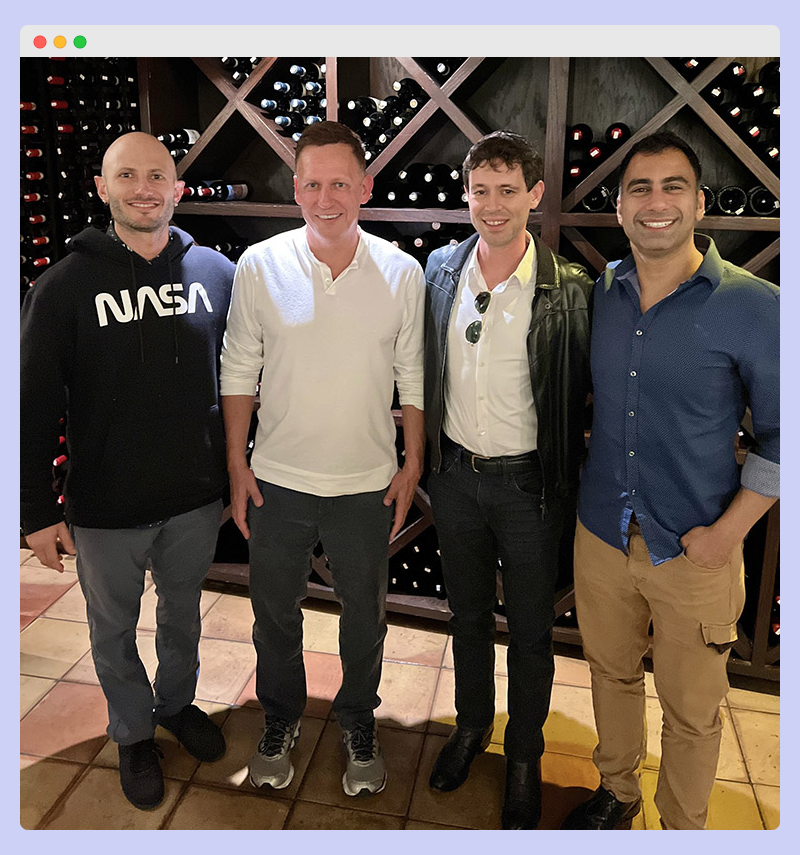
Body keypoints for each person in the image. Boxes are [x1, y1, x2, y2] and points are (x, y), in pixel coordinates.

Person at [563, 132, 779, 831]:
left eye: (673, 186)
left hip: (697, 549)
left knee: (692, 709)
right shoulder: (601, 293)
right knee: (610, 674)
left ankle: (682, 829)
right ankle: (617, 790)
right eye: (640, 188)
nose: (656, 202)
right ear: (620, 208)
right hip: (602, 533)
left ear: (700, 203)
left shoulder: (756, 305)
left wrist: (727, 535)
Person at [20, 132, 234, 811]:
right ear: (103, 188)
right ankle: (134, 731)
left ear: (177, 187)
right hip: (105, 504)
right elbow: (30, 406)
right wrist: (34, 512)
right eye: (127, 175)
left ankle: (176, 704)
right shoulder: (62, 286)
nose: (144, 188)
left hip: (194, 498)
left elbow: (242, 383)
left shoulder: (217, 274)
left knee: (183, 617)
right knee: (112, 631)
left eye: (157, 175)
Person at [220, 121, 425, 798]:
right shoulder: (259, 266)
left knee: (365, 616)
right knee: (274, 614)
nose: (325, 197)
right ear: (295, 187)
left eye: (340, 183)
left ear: (366, 186)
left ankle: (358, 720)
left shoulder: (402, 271)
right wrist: (237, 463)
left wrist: (412, 463)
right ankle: (281, 716)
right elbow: (238, 368)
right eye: (312, 184)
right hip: (277, 481)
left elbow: (413, 375)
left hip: (366, 483)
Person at [423, 130, 593, 829]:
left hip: (530, 487)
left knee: (529, 631)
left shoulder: (570, 288)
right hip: (455, 477)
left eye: (507, 190)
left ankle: (524, 754)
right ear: (467, 195)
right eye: (480, 191)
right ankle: (471, 726)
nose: (493, 205)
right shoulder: (440, 268)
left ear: (535, 194)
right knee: (465, 616)